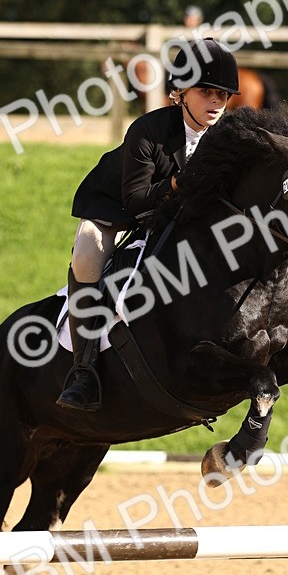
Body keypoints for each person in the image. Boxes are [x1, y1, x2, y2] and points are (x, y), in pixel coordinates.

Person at [57, 37, 240, 412]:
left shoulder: (227, 138)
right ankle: (83, 371)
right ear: (180, 92)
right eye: (205, 92)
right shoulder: (148, 130)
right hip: (117, 206)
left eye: (222, 95)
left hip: (176, 213)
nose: (215, 103)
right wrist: (178, 183)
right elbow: (136, 200)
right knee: (87, 254)